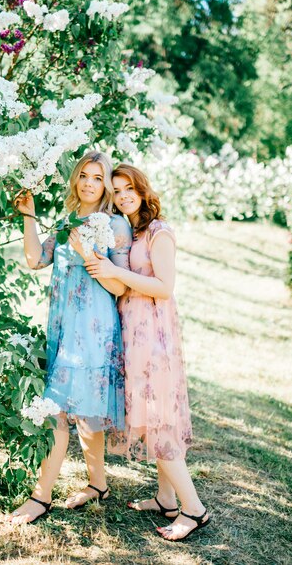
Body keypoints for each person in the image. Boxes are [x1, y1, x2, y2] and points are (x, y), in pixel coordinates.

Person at [84, 163, 211, 541]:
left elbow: (164, 287)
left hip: (154, 338)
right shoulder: (132, 230)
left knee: (159, 422)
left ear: (142, 190)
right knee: (152, 416)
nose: (123, 196)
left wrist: (115, 272)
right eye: (117, 190)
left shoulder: (159, 231)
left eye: (129, 189)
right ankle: (165, 499)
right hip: (134, 333)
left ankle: (194, 510)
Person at [10, 151, 132, 524]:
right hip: (64, 326)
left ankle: (40, 496)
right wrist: (29, 217)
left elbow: (120, 285)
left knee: (57, 409)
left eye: (97, 177)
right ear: (75, 180)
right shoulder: (67, 221)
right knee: (84, 410)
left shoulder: (116, 225)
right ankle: (98, 484)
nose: (89, 184)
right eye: (84, 176)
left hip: (94, 329)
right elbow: (34, 260)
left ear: (106, 183)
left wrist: (89, 253)